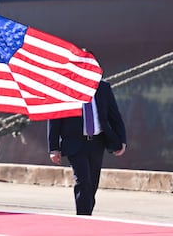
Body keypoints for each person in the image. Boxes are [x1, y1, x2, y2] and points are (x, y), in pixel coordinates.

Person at [48, 79, 127, 215]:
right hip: (75, 143)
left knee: (92, 183)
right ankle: (83, 218)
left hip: (97, 142)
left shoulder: (103, 87)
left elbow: (114, 116)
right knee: (83, 181)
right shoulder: (64, 87)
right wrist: (53, 148)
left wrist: (121, 140)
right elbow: (54, 118)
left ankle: (87, 214)